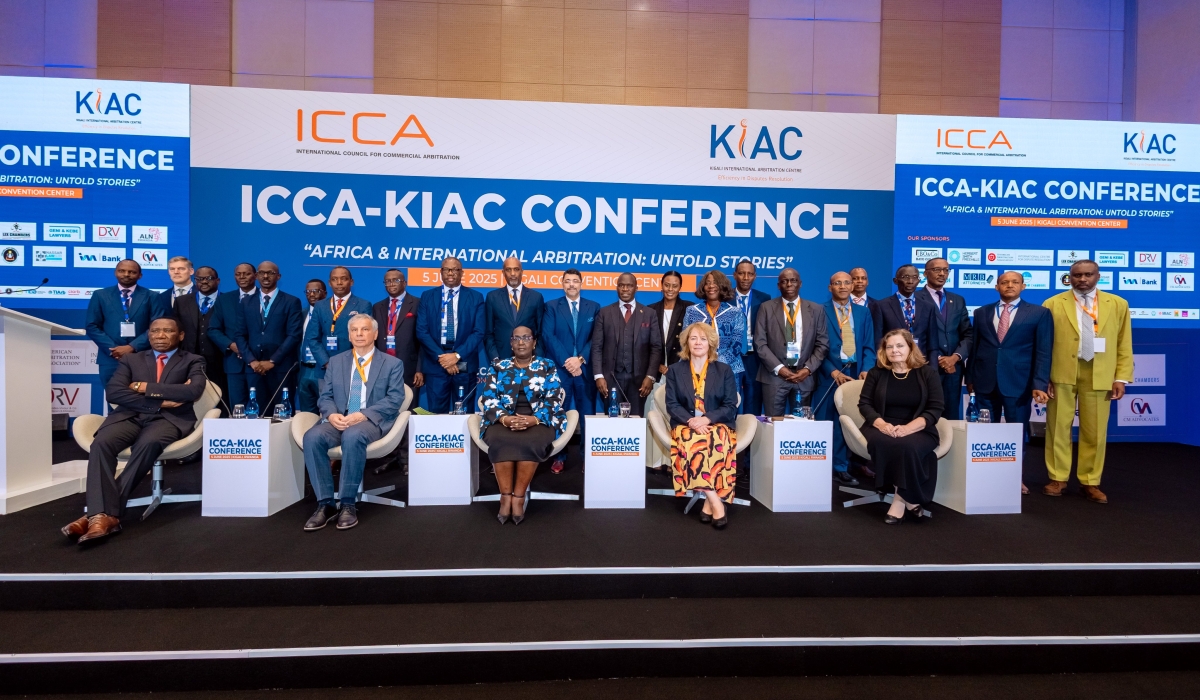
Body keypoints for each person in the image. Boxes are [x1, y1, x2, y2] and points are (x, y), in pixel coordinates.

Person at [61, 317, 207, 545]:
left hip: (170, 420)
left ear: (180, 335)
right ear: (148, 335)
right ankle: (105, 516)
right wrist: (161, 401)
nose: (160, 335)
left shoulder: (193, 360)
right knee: (101, 443)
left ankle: (98, 516)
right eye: (155, 331)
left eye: (167, 331)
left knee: (148, 444)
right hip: (129, 416)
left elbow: (193, 392)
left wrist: (143, 387)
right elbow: (115, 393)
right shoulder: (131, 359)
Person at [302, 315, 407, 531]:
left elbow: (395, 399)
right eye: (355, 330)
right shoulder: (337, 361)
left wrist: (363, 415)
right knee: (312, 437)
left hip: (369, 420)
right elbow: (326, 396)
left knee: (353, 435)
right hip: (339, 419)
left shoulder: (392, 364)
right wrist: (331, 415)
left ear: (375, 334)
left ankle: (348, 503)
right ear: (349, 335)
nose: (359, 334)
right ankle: (325, 503)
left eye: (365, 330)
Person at [1042, 259, 1132, 504]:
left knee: (1095, 431)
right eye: (1077, 275)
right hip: (1061, 372)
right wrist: (1043, 377)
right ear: (1069, 277)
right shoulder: (1052, 303)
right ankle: (1058, 477)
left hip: (1100, 372)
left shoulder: (1117, 304)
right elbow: (1044, 345)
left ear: (1098, 276)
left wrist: (1121, 377)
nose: (1082, 279)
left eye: (1088, 275)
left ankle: (1090, 481)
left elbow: (1124, 343)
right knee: (1058, 428)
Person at [967, 271, 1052, 495]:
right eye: (1004, 282)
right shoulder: (982, 312)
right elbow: (976, 348)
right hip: (985, 381)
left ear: (1023, 286)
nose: (1010, 286)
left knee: (1017, 433)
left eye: (1015, 282)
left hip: (1019, 383)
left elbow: (1043, 351)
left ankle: (1015, 478)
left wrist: (1039, 383)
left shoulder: (1039, 313)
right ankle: (987, 476)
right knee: (985, 434)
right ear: (997, 287)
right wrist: (970, 378)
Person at [478, 325, 568, 525]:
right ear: (510, 343)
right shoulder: (498, 367)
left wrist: (534, 419)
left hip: (539, 420)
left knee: (532, 440)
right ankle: (505, 496)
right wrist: (504, 419)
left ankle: (518, 498)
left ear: (534, 342)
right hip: (503, 419)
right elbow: (489, 397)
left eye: (526, 338)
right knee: (499, 439)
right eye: (516, 338)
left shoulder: (547, 365)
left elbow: (554, 397)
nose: (521, 342)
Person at [858, 329, 944, 524]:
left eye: (899, 345)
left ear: (910, 347)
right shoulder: (876, 373)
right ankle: (910, 498)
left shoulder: (927, 373)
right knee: (889, 443)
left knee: (907, 445)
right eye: (889, 347)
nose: (894, 350)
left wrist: (908, 428)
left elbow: (936, 408)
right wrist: (881, 424)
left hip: (919, 427)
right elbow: (865, 405)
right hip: (881, 425)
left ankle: (899, 499)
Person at [664, 322, 739, 529]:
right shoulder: (675, 370)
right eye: (693, 338)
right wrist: (692, 422)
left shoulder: (723, 370)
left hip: (716, 423)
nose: (698, 343)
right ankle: (716, 502)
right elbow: (672, 404)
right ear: (686, 342)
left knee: (715, 440)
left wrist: (707, 419)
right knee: (695, 442)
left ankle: (707, 505)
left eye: (703, 339)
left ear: (711, 343)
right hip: (685, 424)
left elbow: (730, 404)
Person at [815, 271, 876, 486]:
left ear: (853, 286)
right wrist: (832, 370)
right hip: (829, 373)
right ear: (830, 287)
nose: (842, 286)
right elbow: (816, 347)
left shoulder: (862, 312)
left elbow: (869, 345)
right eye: (837, 283)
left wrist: (867, 368)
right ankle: (820, 465)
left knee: (848, 421)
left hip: (856, 372)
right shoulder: (819, 310)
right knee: (826, 420)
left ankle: (841, 466)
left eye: (847, 283)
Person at [541, 268, 599, 474]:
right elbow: (548, 336)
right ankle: (559, 456)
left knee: (587, 416)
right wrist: (568, 362)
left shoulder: (594, 307)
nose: (572, 284)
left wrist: (580, 359)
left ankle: (588, 457)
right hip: (561, 370)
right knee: (560, 414)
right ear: (562, 284)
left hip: (584, 370)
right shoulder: (551, 307)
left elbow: (596, 339)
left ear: (581, 283)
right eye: (568, 281)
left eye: (575, 281)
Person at [754, 268, 829, 416]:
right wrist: (779, 368)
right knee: (773, 426)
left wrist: (807, 369)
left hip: (804, 377)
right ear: (778, 285)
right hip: (774, 377)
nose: (789, 284)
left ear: (800, 283)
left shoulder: (816, 309)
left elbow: (822, 344)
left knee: (801, 428)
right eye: (784, 281)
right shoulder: (766, 308)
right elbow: (760, 343)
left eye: (793, 280)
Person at [416, 256, 486, 413]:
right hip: (436, 363)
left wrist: (456, 356)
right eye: (447, 269)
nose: (451, 273)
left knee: (464, 412)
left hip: (464, 363)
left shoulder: (476, 297)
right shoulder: (427, 296)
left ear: (462, 273)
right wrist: (443, 358)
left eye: (455, 269)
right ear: (440, 272)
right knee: (436, 413)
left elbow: (478, 331)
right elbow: (422, 331)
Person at [592, 273, 663, 417]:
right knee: (611, 420)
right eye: (621, 285)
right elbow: (597, 347)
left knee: (636, 420)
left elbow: (656, 347)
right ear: (617, 288)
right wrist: (598, 375)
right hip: (610, 379)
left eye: (629, 285)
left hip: (639, 380)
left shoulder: (649, 314)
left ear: (636, 288)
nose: (625, 289)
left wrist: (650, 376)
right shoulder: (605, 313)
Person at [235, 261, 303, 412]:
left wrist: (272, 361)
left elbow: (294, 335)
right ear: (256, 276)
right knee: (256, 413)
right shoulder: (245, 302)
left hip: (281, 368)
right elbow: (239, 334)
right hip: (254, 369)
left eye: (270, 273)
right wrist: (251, 361)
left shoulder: (291, 301)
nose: (266, 276)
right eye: (262, 273)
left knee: (282, 415)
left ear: (278, 276)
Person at [85, 259, 161, 393]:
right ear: (115, 273)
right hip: (110, 358)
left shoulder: (152, 296)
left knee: (142, 397)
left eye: (132, 272)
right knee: (114, 398)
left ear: (140, 275)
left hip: (142, 356)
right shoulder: (101, 295)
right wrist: (114, 349)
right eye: (122, 271)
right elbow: (92, 326)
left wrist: (132, 347)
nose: (126, 274)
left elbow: (157, 327)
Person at [303, 266, 373, 412]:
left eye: (344, 279)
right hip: (325, 369)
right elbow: (312, 337)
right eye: (335, 279)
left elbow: (365, 338)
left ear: (351, 282)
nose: (339, 283)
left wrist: (347, 362)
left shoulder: (363, 305)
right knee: (328, 410)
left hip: (353, 367)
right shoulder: (320, 306)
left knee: (352, 410)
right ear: (330, 283)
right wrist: (327, 362)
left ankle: (351, 434)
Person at [918, 258, 972, 419]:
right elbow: (914, 335)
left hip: (953, 370)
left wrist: (955, 357)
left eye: (946, 270)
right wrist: (939, 358)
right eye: (936, 270)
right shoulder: (915, 298)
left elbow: (968, 333)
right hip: (925, 367)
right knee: (925, 414)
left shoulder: (957, 300)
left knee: (951, 416)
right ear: (926, 273)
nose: (942, 273)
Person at [683, 270, 746, 390]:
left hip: (729, 369)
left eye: (715, 282)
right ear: (703, 287)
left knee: (728, 406)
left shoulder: (735, 312)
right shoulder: (692, 311)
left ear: (723, 286)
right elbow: (685, 341)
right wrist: (701, 363)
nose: (711, 286)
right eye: (708, 283)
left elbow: (737, 345)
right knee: (698, 406)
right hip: (696, 369)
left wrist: (715, 363)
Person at [206, 262, 258, 408]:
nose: (241, 277)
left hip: (258, 362)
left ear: (255, 276)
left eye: (246, 273)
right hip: (233, 363)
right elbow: (213, 329)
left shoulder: (265, 298)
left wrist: (248, 350)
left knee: (260, 408)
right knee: (236, 409)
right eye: (238, 274)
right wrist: (231, 345)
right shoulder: (225, 299)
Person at [174, 266, 226, 401]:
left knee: (220, 397)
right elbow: (176, 330)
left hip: (220, 360)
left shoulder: (228, 301)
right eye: (199, 279)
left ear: (218, 280)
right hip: (189, 360)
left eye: (208, 278)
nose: (204, 282)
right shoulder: (182, 302)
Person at [874, 264, 940, 367]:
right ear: (895, 281)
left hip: (920, 364)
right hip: (892, 364)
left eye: (914, 277)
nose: (910, 281)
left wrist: (933, 371)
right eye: (905, 277)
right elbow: (878, 341)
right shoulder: (881, 306)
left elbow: (933, 344)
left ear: (919, 281)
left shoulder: (928, 307)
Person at [485, 257, 546, 363]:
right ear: (503, 272)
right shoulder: (492, 297)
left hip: (529, 360)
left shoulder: (536, 297)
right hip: (502, 359)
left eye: (516, 269)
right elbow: (488, 333)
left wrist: (536, 357)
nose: (512, 273)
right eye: (508, 270)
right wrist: (495, 358)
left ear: (522, 272)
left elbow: (541, 332)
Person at [372, 269, 423, 396]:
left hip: (409, 366)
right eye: (388, 281)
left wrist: (420, 369)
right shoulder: (377, 307)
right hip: (382, 366)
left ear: (404, 283)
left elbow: (423, 339)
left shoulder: (418, 304)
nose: (392, 284)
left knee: (409, 408)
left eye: (396, 280)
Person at [733, 260, 771, 415]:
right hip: (732, 356)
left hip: (755, 357)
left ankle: (752, 437)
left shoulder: (764, 298)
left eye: (750, 274)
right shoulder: (725, 297)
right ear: (735, 275)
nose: (745, 277)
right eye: (741, 273)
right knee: (730, 399)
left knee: (753, 400)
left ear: (755, 276)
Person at [648, 270, 694, 377]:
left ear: (680, 287)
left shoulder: (689, 308)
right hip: (655, 371)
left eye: (674, 286)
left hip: (681, 369)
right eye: (667, 285)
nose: (670, 289)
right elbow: (645, 343)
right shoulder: (650, 310)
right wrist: (657, 365)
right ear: (662, 285)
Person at [296, 279, 328, 413]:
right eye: (308, 291)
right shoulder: (301, 314)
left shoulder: (330, 314)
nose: (312, 294)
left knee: (327, 411)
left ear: (325, 294)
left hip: (323, 369)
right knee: (306, 414)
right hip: (304, 369)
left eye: (316, 291)